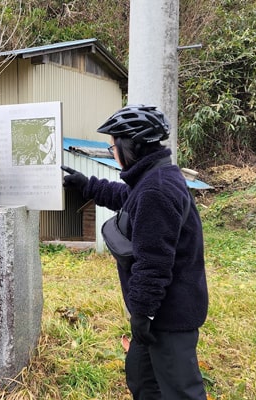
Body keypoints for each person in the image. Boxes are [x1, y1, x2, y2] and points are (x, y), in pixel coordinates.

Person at [61, 105, 208, 399]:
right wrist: (87, 185)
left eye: (113, 145)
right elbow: (127, 198)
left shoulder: (157, 189)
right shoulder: (154, 178)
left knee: (179, 390)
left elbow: (153, 264)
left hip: (168, 315)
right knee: (142, 379)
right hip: (157, 311)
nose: (112, 150)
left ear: (132, 146)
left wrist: (142, 313)